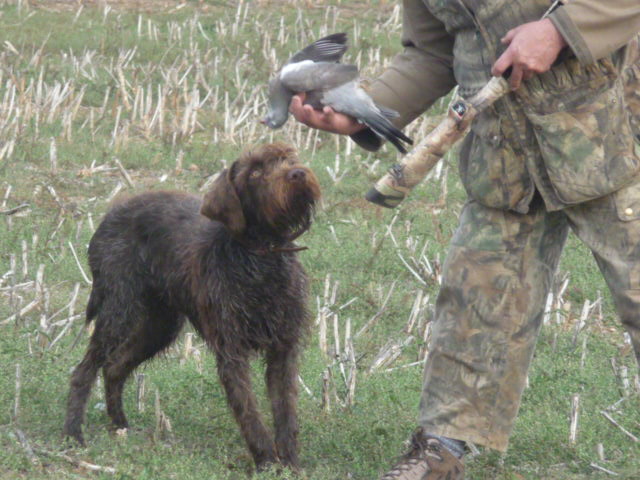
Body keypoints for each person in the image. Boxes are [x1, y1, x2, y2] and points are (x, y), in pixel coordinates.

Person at [289, 1, 640, 479]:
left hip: (610, 130)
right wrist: (363, 111)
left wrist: (562, 28)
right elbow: (433, 51)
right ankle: (440, 451)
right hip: (503, 153)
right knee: (475, 300)